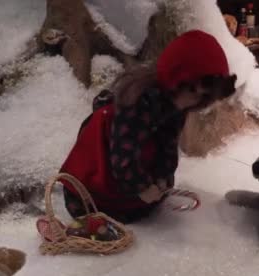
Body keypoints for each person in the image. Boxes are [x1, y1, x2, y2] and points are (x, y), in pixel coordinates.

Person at [59, 30, 237, 223]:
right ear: (175, 78)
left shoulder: (176, 107)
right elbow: (123, 157)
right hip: (99, 179)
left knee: (146, 206)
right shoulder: (137, 103)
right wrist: (141, 187)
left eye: (203, 96)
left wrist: (163, 177)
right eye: (191, 89)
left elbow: (168, 144)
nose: (193, 99)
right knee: (104, 215)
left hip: (132, 179)